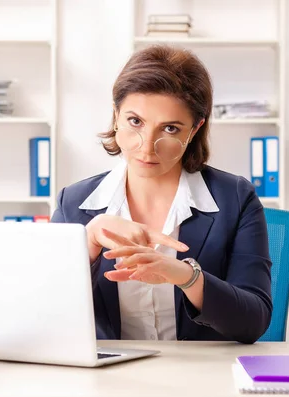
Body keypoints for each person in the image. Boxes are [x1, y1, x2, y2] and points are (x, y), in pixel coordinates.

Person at [50, 44, 272, 344]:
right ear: (116, 115)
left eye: (169, 128)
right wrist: (87, 242)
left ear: (194, 130)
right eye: (135, 121)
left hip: (200, 378)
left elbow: (253, 321)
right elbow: (46, 316)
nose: (147, 145)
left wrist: (185, 276)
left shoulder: (235, 198)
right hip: (109, 381)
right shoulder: (73, 204)